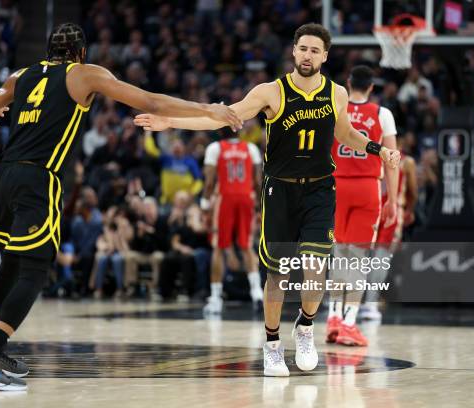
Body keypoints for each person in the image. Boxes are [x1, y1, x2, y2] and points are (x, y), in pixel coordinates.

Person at [0, 22, 241, 391]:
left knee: (12, 264)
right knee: (35, 271)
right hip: (38, 179)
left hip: (6, 175)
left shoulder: (21, 76)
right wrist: (207, 108)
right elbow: (151, 101)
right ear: (81, 53)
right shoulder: (86, 74)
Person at [134, 23, 400, 376]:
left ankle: (305, 327)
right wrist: (171, 121)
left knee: (316, 267)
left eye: (314, 50)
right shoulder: (270, 92)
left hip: (320, 188)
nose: (307, 55)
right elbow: (224, 118)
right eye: (302, 48)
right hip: (280, 190)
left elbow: (344, 132)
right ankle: (272, 342)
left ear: (325, 56)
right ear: (293, 51)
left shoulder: (337, 94)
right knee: (279, 273)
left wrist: (377, 149)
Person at [325, 65, 399, 347]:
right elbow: (391, 160)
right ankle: (349, 323)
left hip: (336, 185)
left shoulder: (335, 110)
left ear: (348, 83)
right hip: (367, 187)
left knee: (339, 254)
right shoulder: (382, 114)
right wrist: (392, 199)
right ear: (371, 87)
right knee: (357, 258)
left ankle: (332, 316)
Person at [200, 129, 263, 314]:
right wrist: (258, 205)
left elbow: (210, 181)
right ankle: (257, 293)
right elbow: (258, 181)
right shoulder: (250, 148)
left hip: (226, 198)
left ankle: (216, 298)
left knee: (219, 247)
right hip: (246, 197)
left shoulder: (215, 148)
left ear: (220, 130)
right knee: (246, 246)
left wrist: (204, 204)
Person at [363, 135, 418, 321]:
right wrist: (409, 210)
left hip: (370, 209)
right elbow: (413, 192)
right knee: (380, 258)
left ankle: (355, 302)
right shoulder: (407, 161)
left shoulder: (368, 153)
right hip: (392, 212)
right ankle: (370, 303)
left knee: (365, 256)